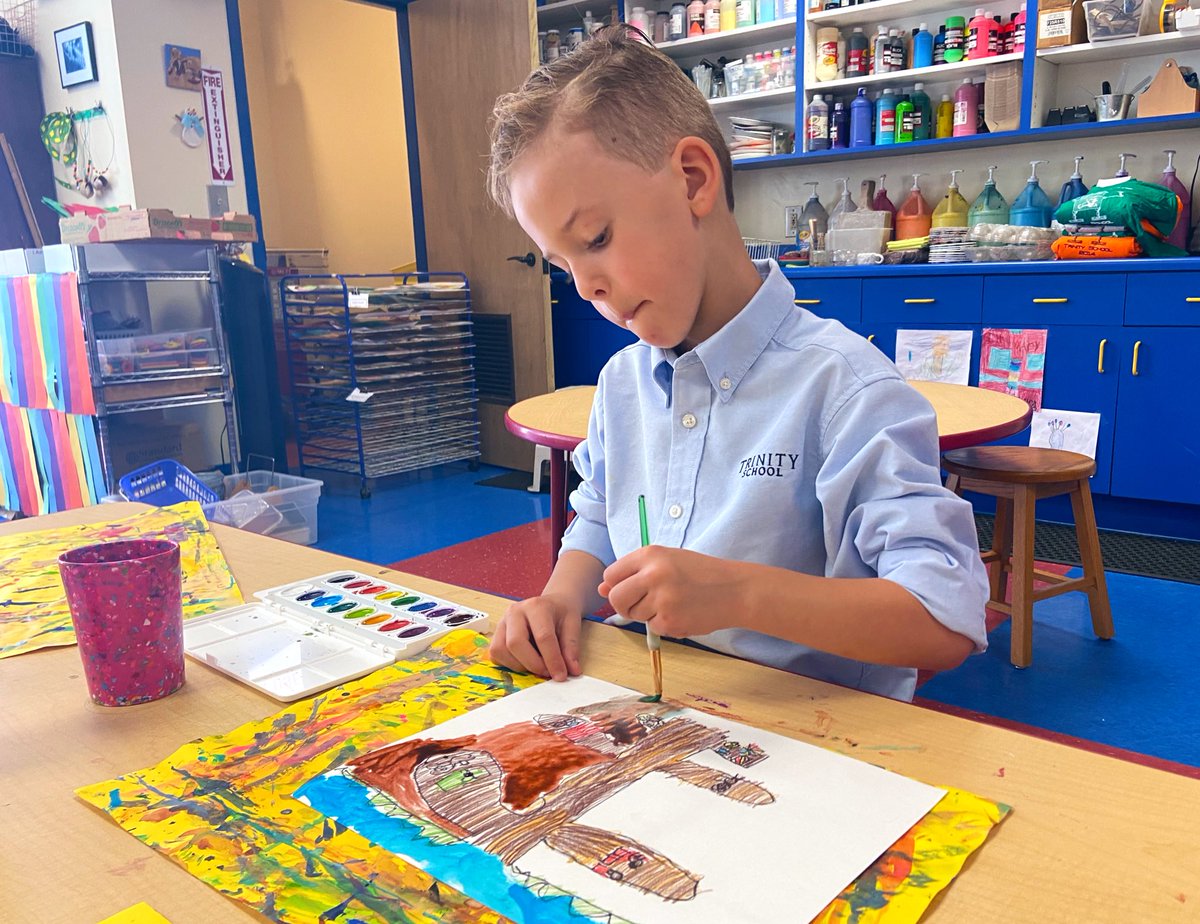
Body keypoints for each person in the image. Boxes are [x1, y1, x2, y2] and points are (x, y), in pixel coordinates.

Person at [484, 27, 989, 700]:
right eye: (563, 264)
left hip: (820, 749)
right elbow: (603, 517)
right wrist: (558, 600)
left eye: (596, 239)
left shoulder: (845, 387)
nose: (586, 286)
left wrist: (740, 594)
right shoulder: (622, 383)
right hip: (665, 721)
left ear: (692, 179)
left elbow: (945, 618)